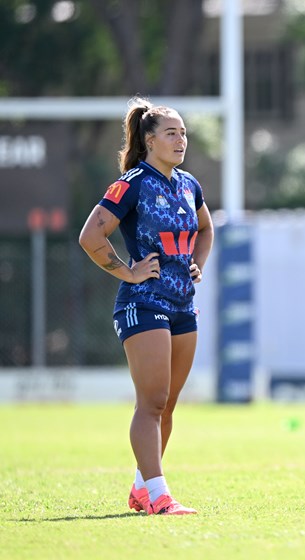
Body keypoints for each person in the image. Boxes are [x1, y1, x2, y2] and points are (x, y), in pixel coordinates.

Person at [79, 96, 214, 515]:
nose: (181, 140)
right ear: (150, 139)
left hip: (183, 305)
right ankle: (159, 496)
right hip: (143, 303)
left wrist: (197, 263)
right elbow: (90, 236)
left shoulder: (189, 185)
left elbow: (206, 228)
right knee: (152, 402)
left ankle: (142, 489)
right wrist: (128, 272)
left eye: (184, 133)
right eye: (171, 133)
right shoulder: (133, 182)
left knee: (167, 405)